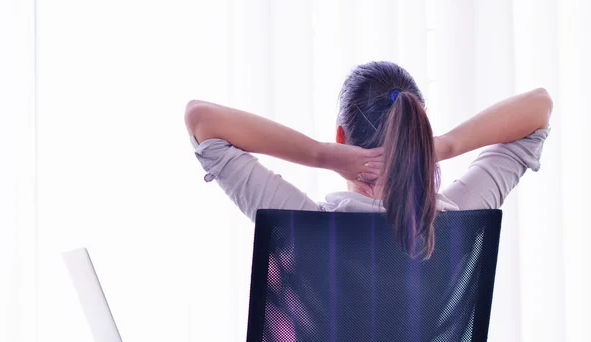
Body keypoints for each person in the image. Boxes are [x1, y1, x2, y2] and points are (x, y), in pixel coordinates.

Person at [184, 61, 552, 259]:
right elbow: (538, 109)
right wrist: (442, 146)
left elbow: (202, 120)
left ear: (342, 137)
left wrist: (323, 155)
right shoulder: (454, 221)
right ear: (418, 133)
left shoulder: (304, 227)